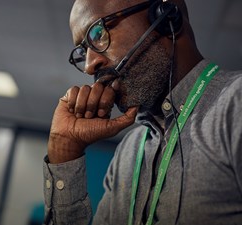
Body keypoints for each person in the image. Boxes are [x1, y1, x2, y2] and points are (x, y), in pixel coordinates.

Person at [43, 0, 242, 224]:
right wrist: (64, 151)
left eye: (98, 33)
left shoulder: (236, 104)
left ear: (166, 16)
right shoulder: (129, 151)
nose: (89, 66)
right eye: (82, 51)